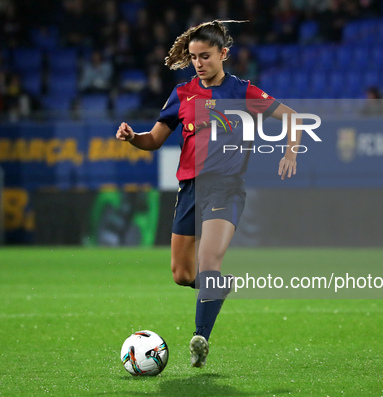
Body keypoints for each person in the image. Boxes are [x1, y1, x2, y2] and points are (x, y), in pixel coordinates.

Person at [115, 20, 300, 368]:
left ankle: (201, 338)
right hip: (190, 189)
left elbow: (291, 117)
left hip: (226, 187)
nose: (198, 63)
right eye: (194, 57)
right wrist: (132, 136)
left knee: (209, 261)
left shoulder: (242, 92)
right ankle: (217, 286)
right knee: (182, 275)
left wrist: (290, 152)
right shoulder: (182, 94)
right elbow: (154, 140)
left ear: (223, 54)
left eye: (205, 56)